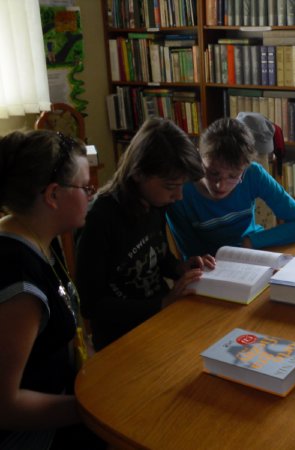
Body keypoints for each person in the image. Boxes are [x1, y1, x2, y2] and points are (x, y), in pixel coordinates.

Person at [0, 130, 104, 449]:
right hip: (32, 435)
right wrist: (96, 408)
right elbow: (6, 406)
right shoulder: (20, 286)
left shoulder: (40, 236)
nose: (91, 195)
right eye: (85, 187)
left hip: (62, 396)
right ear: (53, 195)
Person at [75, 118, 214, 351]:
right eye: (171, 186)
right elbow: (91, 305)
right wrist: (164, 302)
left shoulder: (155, 202)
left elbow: (158, 256)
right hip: (121, 337)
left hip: (162, 319)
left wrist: (181, 268)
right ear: (138, 174)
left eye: (182, 186)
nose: (179, 196)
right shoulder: (98, 219)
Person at [167, 117, 295, 258]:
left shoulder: (253, 173)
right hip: (215, 264)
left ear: (245, 167)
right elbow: (191, 256)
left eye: (233, 176)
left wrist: (250, 242)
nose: (220, 186)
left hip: (252, 252)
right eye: (213, 173)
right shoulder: (180, 192)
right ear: (199, 159)